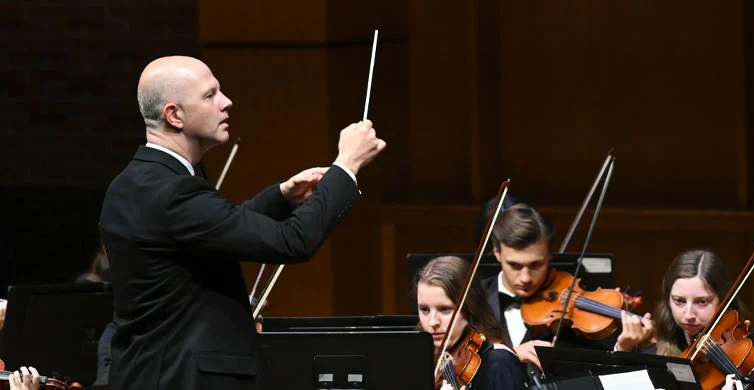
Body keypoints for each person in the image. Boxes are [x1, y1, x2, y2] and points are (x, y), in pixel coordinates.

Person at [99, 56, 385, 389]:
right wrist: (347, 165)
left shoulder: (139, 181)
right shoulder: (171, 191)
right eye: (210, 95)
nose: (226, 102)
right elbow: (292, 241)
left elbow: (218, 229)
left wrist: (282, 197)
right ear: (174, 115)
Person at [481, 203, 616, 373]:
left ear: (551, 254)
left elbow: (600, 364)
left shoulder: (570, 303)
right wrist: (510, 354)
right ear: (497, 252)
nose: (526, 278)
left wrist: (625, 346)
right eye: (515, 265)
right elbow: (451, 362)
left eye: (536, 265)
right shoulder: (473, 299)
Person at [415, 256, 527, 390]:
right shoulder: (424, 358)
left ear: (470, 307)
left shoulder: (499, 362)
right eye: (424, 309)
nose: (432, 322)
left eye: (445, 309)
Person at [616, 249, 746, 357]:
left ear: (722, 300)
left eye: (701, 302)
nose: (689, 315)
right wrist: (623, 349)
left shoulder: (742, 347)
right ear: (668, 299)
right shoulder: (652, 350)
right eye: (679, 301)